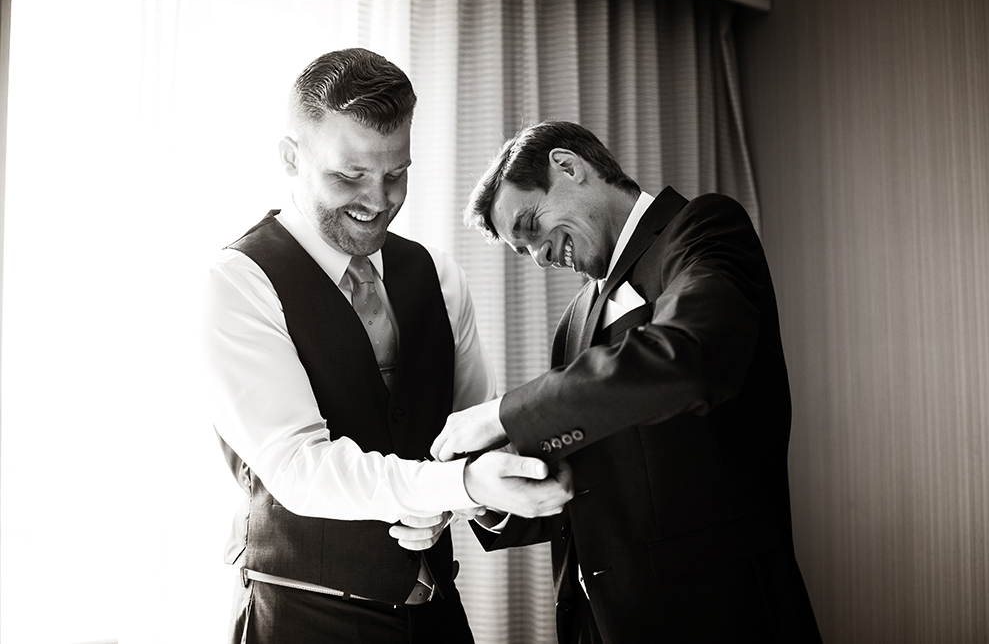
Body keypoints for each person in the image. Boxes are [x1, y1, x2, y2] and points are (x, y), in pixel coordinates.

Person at [203, 49, 573, 644]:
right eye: (349, 176)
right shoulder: (240, 281)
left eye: (396, 173)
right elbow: (299, 468)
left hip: (436, 614)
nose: (378, 200)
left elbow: (476, 432)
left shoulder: (440, 275)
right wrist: (458, 487)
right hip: (303, 619)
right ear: (291, 159)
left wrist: (455, 499)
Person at [428, 120, 822, 643]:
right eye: (522, 252)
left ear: (569, 167)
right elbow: (580, 486)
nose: (540, 257)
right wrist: (480, 490)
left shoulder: (702, 228)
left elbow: (689, 358)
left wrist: (501, 414)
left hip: (719, 613)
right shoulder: (573, 321)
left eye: (530, 226)